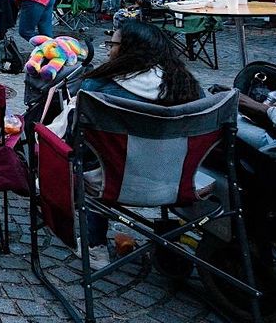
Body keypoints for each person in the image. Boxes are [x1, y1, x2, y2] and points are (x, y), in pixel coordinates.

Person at [77, 20, 203, 267]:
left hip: (114, 182)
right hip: (179, 180)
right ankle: (174, 237)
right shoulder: (186, 86)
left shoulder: (98, 88)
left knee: (92, 161)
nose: (108, 50)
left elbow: (80, 142)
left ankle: (95, 246)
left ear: (127, 50)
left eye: (112, 44)